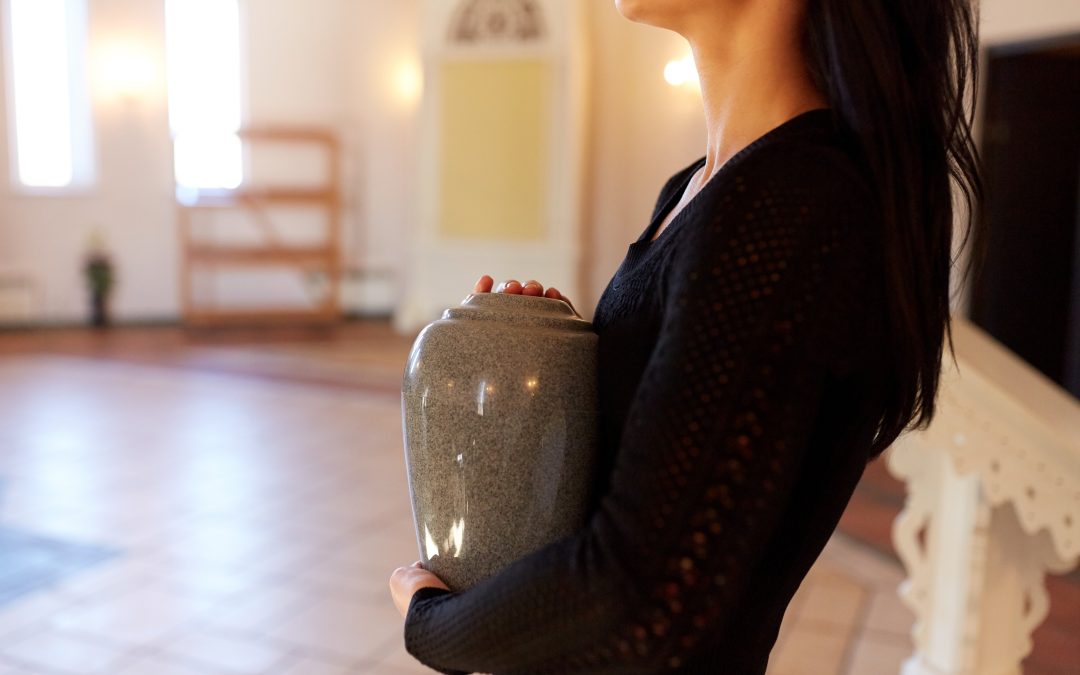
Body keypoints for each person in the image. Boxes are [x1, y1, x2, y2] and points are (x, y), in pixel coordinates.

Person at [389, 0, 983, 672]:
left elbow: (645, 601)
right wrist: (559, 359)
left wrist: (430, 621)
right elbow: (655, 469)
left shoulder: (787, 203)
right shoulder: (699, 189)